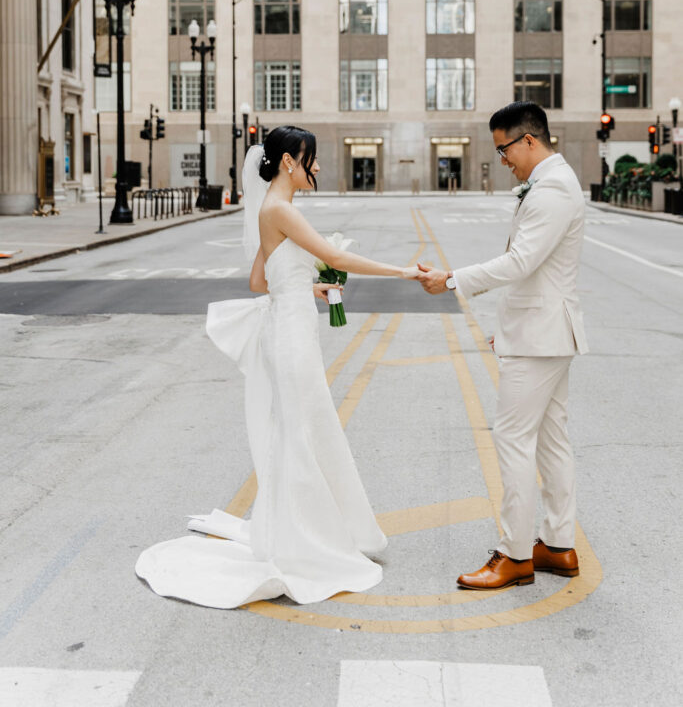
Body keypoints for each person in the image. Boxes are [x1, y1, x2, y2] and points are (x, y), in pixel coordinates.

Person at [135, 125, 419, 609]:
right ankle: (302, 544)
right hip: (290, 338)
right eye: (312, 158)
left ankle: (301, 534)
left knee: (299, 430)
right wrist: (406, 271)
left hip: (289, 327)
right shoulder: (281, 209)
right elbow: (332, 254)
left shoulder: (276, 210)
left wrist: (303, 287)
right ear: (289, 162)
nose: (319, 168)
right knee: (301, 434)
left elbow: (256, 279)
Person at [418, 102, 587, 590]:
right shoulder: (555, 182)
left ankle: (515, 556)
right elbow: (536, 270)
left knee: (514, 441)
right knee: (552, 441)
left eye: (504, 148)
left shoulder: (553, 188)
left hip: (540, 339)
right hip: (543, 332)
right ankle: (557, 545)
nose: (502, 159)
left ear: (529, 140)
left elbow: (521, 262)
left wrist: (453, 279)